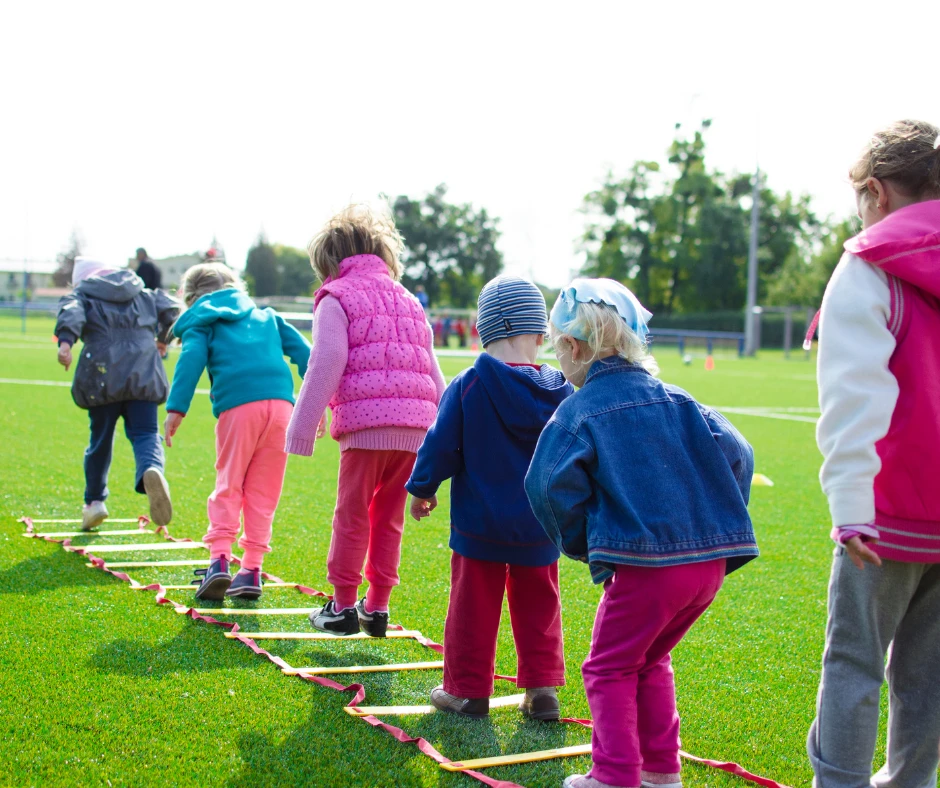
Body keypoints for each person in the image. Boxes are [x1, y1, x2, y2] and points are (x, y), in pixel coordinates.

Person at [525, 278, 758, 788]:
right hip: (707, 570)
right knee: (650, 660)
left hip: (648, 571)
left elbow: (544, 484)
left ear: (573, 346)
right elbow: (740, 453)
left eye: (558, 348)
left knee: (607, 668)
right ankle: (660, 772)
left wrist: (584, 543)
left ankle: (613, 776)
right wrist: (716, 520)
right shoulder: (680, 399)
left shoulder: (579, 410)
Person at [807, 119, 940, 788]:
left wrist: (852, 508)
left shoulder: (867, 266)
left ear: (878, 192)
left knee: (854, 664)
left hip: (887, 514)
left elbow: (854, 398)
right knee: (928, 676)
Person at [407, 276, 574, 721]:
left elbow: (440, 444)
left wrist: (422, 488)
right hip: (541, 526)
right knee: (540, 605)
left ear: (482, 331)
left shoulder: (468, 384)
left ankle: (467, 690)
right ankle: (542, 691)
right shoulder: (564, 391)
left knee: (472, 607)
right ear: (540, 334)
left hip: (478, 525)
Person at [286, 204, 445, 636]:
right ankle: (376, 606)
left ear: (330, 263)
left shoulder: (336, 297)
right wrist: (447, 437)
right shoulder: (410, 300)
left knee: (352, 514)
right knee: (388, 517)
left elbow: (329, 359)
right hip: (416, 429)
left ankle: (340, 607)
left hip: (366, 427)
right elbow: (433, 370)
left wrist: (302, 426)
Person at [163, 264, 310, 600]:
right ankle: (251, 570)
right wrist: (317, 402)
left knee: (229, 483)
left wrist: (176, 408)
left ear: (190, 298)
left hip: (239, 407)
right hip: (282, 409)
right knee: (264, 491)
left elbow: (192, 358)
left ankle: (219, 562)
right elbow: (308, 355)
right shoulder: (268, 316)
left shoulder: (203, 321)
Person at [55, 257, 179, 531]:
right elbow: (172, 310)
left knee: (100, 439)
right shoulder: (142, 291)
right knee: (146, 433)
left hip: (102, 374)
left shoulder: (84, 294)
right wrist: (162, 339)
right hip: (144, 371)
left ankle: (95, 502)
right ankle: (152, 468)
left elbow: (71, 312)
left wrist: (65, 342)